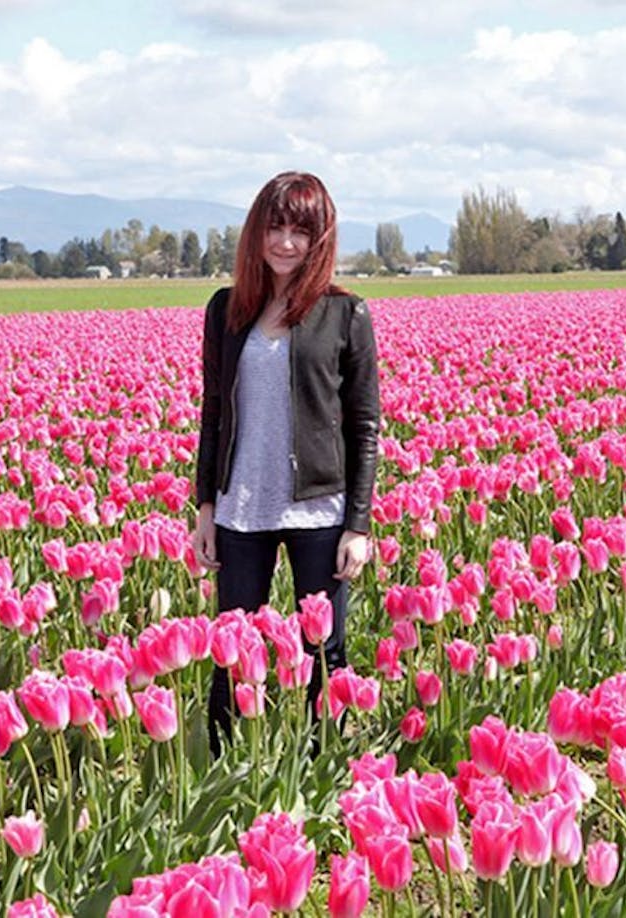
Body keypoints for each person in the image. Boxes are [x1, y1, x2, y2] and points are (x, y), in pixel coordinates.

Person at [191, 171, 380, 758]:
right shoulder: (227, 310)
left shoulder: (345, 314)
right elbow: (214, 412)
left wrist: (359, 524)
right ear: (257, 231)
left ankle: (326, 770)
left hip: (319, 509)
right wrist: (205, 506)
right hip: (242, 509)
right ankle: (220, 772)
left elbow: (364, 424)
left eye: (302, 230)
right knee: (230, 652)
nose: (287, 242)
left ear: (321, 239)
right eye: (276, 226)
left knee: (325, 651)